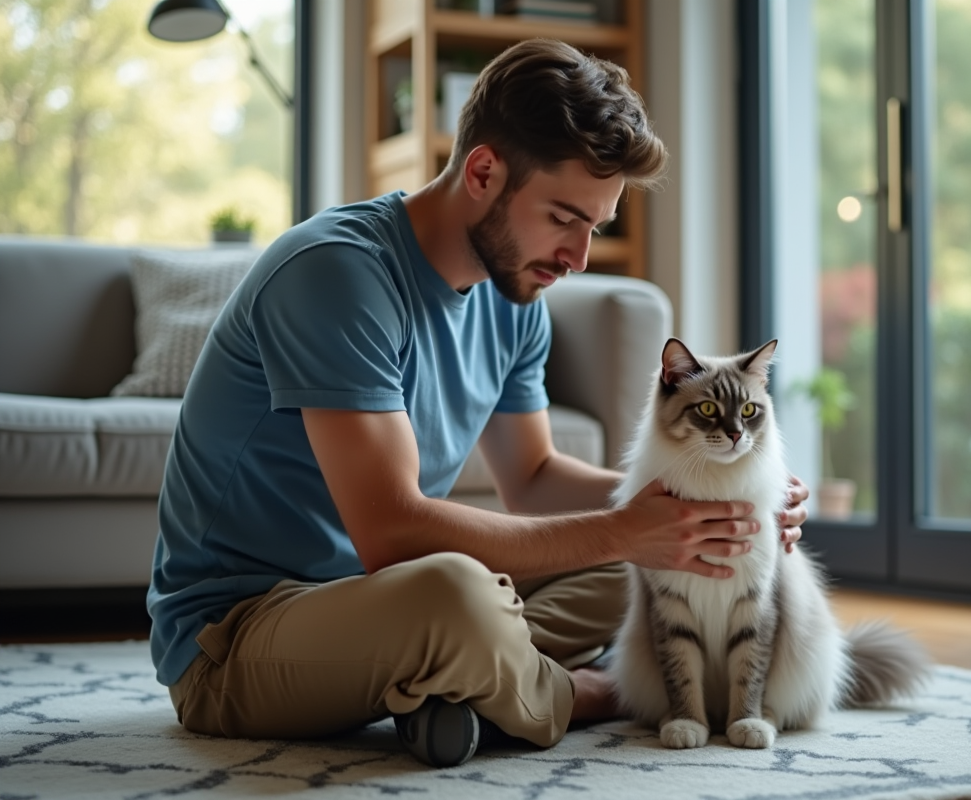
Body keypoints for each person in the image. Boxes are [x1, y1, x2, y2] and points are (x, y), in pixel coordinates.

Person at [147, 38, 809, 768]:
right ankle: (587, 692)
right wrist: (626, 533)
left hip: (386, 602)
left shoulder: (517, 295)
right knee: (460, 592)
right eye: (564, 218)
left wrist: (707, 511)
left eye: (596, 226)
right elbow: (392, 534)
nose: (578, 258)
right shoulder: (337, 273)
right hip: (239, 637)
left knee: (663, 571)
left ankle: (464, 682)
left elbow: (532, 480)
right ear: (484, 172)